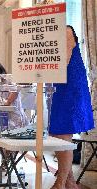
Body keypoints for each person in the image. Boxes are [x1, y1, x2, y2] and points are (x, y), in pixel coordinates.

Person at [49, 25, 95, 189]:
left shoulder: (66, 30)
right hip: (60, 86)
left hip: (70, 86)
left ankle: (60, 183)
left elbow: (65, 59)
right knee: (56, 133)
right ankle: (70, 182)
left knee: (63, 134)